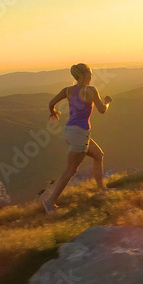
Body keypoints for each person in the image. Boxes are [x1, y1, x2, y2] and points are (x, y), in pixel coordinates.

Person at [39, 63, 112, 214]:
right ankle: (50, 202)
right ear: (85, 75)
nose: (92, 77)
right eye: (90, 74)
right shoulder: (91, 90)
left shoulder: (68, 91)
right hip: (79, 133)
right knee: (71, 169)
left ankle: (102, 190)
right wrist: (107, 102)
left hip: (69, 131)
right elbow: (102, 110)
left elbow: (51, 103)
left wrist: (53, 112)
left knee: (98, 155)